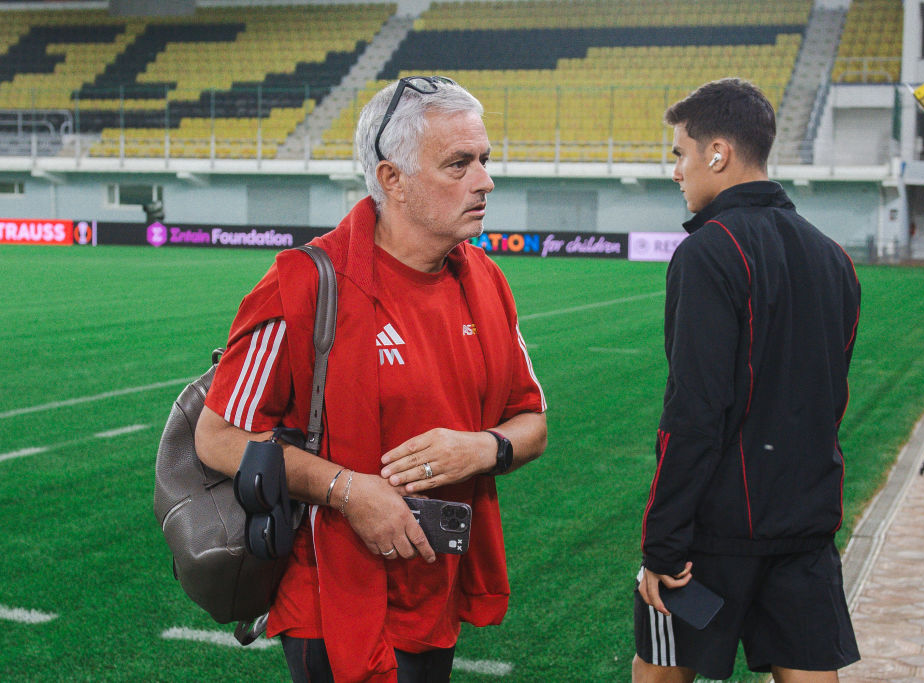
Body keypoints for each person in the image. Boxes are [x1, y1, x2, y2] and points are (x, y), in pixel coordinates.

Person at [195, 76, 547, 683]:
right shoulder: (303, 285)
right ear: (392, 179)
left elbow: (532, 420)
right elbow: (219, 436)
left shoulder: (485, 280)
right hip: (332, 603)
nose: (485, 181)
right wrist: (349, 492)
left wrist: (481, 447)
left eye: (484, 160)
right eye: (458, 164)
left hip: (436, 592)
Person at [633, 78, 861, 682]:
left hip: (716, 537)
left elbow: (696, 412)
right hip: (806, 527)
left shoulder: (708, 251)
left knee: (661, 669)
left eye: (680, 153)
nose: (676, 170)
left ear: (718, 153)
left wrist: (663, 542)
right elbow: (829, 401)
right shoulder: (834, 257)